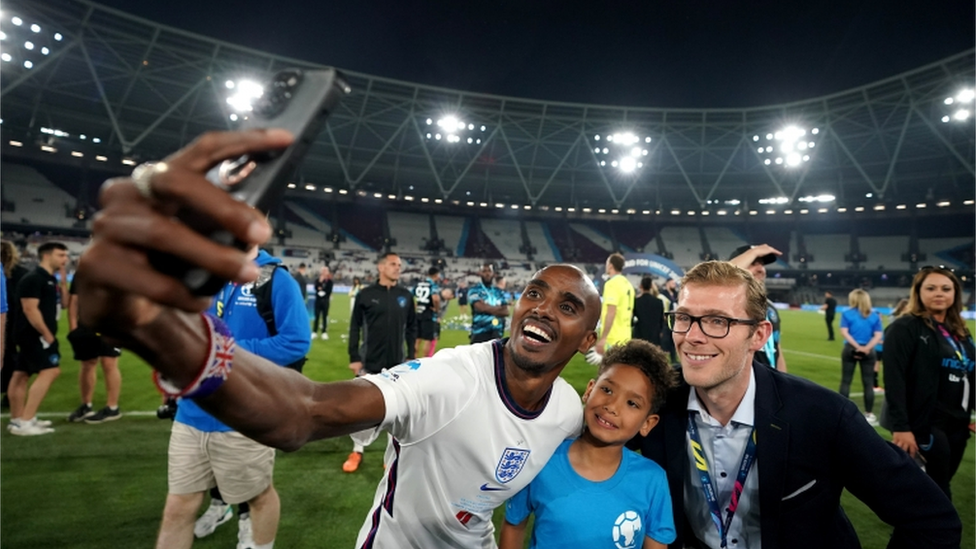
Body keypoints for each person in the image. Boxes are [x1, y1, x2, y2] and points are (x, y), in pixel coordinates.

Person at [73, 129, 606, 548]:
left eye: (567, 306)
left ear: (588, 341)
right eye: (534, 293)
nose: (540, 308)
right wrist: (164, 331)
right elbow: (305, 411)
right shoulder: (453, 377)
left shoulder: (567, 412)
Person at [628, 260, 960, 549]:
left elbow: (932, 519)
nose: (693, 336)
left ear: (759, 336)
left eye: (718, 321)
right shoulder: (654, 398)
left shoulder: (824, 414)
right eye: (684, 317)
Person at [159, 245, 310, 549]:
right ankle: (223, 512)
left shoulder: (275, 280)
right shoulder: (199, 274)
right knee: (178, 506)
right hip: (192, 413)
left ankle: (255, 539)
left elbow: (296, 341)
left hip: (244, 416)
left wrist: (231, 350)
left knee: (257, 497)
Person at [500, 339, 677, 549]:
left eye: (632, 403)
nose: (612, 407)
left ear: (648, 423)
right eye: (607, 390)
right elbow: (513, 525)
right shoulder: (542, 458)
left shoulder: (652, 480)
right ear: (589, 390)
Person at [883, 266, 975, 500]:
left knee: (934, 489)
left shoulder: (961, 332)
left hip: (959, 423)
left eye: (946, 288)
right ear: (918, 292)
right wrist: (901, 426)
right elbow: (894, 379)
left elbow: (971, 373)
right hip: (927, 423)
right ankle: (931, 534)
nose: (939, 293)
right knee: (937, 491)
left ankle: (915, 532)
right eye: (931, 288)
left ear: (955, 293)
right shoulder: (904, 328)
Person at [342, 252, 417, 474]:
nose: (398, 268)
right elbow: (354, 326)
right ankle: (357, 450)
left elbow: (412, 327)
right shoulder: (366, 295)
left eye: (400, 265)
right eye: (393, 264)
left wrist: (411, 356)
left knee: (395, 411)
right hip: (368, 361)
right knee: (362, 411)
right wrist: (354, 357)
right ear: (381, 267)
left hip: (397, 364)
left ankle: (390, 456)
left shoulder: (405, 296)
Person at [7, 241, 69, 436]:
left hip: (31, 335)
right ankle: (26, 421)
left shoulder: (49, 279)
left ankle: (18, 420)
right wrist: (48, 335)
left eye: (66, 255)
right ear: (46, 255)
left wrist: (64, 282)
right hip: (33, 335)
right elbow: (29, 309)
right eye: (60, 255)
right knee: (51, 371)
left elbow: (65, 305)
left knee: (21, 375)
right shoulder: (33, 278)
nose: (65, 259)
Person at [66, 270, 124, 424]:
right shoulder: (83, 273)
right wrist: (73, 328)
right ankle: (86, 405)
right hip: (86, 325)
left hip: (112, 325)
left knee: (109, 362)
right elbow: (75, 301)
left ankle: (112, 407)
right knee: (87, 363)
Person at [728, 244, 786, 372]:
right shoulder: (727, 304)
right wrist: (755, 251)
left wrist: (783, 383)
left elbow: (777, 350)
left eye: (762, 264)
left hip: (768, 384)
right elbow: (723, 276)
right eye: (753, 263)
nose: (761, 269)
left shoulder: (770, 309)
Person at [837, 289, 883, 426]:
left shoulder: (846, 313)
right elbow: (878, 335)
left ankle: (841, 410)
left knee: (846, 380)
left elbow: (844, 332)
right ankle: (869, 413)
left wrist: (856, 346)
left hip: (851, 348)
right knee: (868, 383)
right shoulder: (875, 315)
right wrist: (867, 348)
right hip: (869, 350)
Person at [0, 240, 26, 406]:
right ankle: (10, 396)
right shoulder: (22, 273)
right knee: (12, 360)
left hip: (8, 321)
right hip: (16, 324)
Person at [595, 253, 633, 355]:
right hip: (626, 336)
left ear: (611, 265)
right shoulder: (628, 285)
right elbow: (630, 314)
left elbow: (611, 312)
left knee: (609, 369)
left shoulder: (611, 284)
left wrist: (603, 338)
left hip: (613, 338)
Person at [468, 262, 509, 343]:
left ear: (493, 273)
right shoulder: (474, 290)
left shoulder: (498, 291)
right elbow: (480, 307)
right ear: (480, 273)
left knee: (495, 355)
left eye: (489, 271)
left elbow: (506, 311)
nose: (487, 273)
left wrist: (487, 307)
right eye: (484, 271)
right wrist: (498, 309)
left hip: (497, 333)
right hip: (479, 332)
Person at [413, 267, 442, 358]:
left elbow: (411, 295)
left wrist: (416, 306)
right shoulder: (432, 284)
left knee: (417, 339)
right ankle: (424, 362)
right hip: (428, 314)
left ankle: (413, 360)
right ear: (436, 274)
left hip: (418, 313)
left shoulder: (419, 284)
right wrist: (437, 309)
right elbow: (435, 298)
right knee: (427, 339)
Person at [632, 276, 664, 346]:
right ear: (651, 286)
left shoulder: (636, 302)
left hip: (640, 335)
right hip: (654, 336)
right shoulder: (659, 302)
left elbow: (632, 319)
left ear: (641, 286)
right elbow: (661, 320)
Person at [427, 287, 454, 357]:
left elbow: (444, 310)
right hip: (429, 319)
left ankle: (430, 354)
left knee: (435, 337)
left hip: (437, 320)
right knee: (426, 338)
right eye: (450, 297)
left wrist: (440, 317)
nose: (449, 299)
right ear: (447, 293)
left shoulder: (446, 301)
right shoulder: (435, 294)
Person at [659, 279, 678, 363]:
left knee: (673, 340)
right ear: (667, 284)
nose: (674, 285)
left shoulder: (676, 295)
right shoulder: (662, 295)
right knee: (665, 340)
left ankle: (674, 358)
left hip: (675, 320)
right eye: (672, 283)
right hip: (665, 321)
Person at [313, 266, 333, 340]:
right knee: (317, 317)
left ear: (327, 272)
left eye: (325, 271)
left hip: (325, 301)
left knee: (324, 317)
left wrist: (322, 290)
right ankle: (314, 332)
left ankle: (324, 332)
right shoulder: (317, 280)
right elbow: (316, 288)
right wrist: (320, 282)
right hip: (318, 301)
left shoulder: (330, 282)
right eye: (323, 271)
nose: (324, 272)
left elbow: (329, 290)